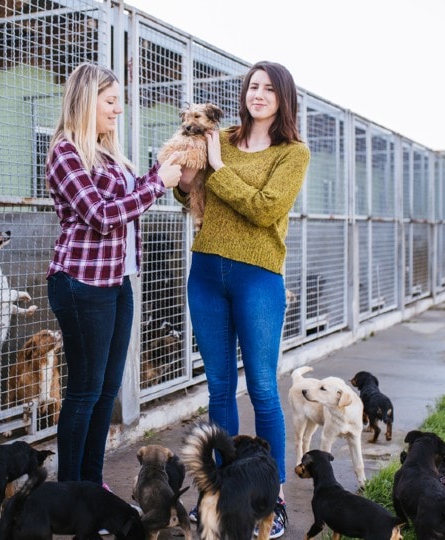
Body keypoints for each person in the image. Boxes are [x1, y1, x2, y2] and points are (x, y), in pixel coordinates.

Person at [175, 60, 310, 538]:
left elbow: (265, 208)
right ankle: (218, 494)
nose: (258, 94)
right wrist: (186, 181)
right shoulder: (221, 137)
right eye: (252, 86)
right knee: (217, 388)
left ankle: (270, 501)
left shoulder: (292, 153)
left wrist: (217, 167)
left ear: (282, 98)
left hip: (258, 277)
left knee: (262, 389)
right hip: (207, 270)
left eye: (268, 89)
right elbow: (195, 195)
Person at [45, 62, 183, 485]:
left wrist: (161, 170)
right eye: (110, 101)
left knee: (106, 391)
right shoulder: (66, 152)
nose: (117, 110)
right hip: (81, 282)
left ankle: (92, 483)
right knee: (85, 392)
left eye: (118, 102)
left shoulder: (106, 150)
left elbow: (130, 196)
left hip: (117, 281)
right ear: (87, 100)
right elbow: (101, 216)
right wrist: (157, 185)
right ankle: (71, 492)